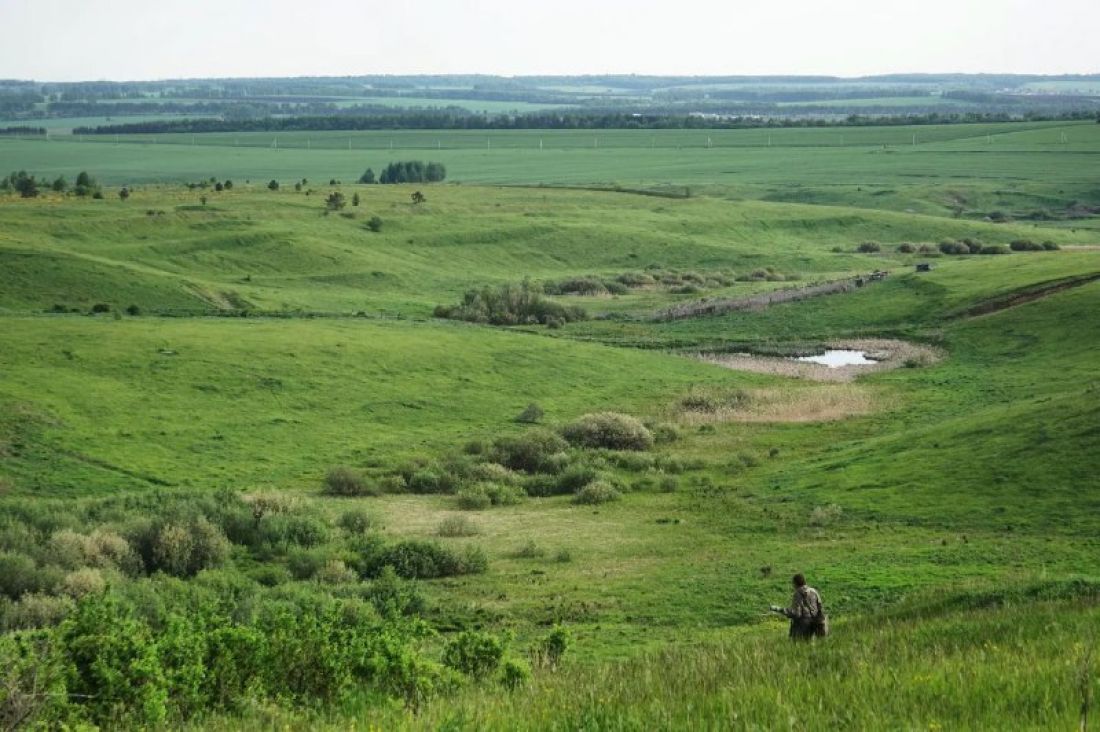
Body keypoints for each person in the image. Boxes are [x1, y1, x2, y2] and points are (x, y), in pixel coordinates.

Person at [770, 573, 828, 640]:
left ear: (795, 583)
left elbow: (796, 613)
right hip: (815, 624)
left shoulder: (798, 593)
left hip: (802, 626)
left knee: (799, 646)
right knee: (811, 645)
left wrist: (779, 609)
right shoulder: (814, 591)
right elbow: (820, 607)